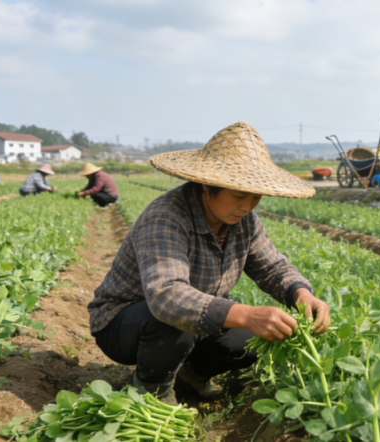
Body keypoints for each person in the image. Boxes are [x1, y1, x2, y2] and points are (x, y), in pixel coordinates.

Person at [88, 122, 332, 405]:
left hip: (193, 322)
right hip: (127, 324)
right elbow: (166, 296)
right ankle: (153, 389)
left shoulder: (244, 223)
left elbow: (272, 267)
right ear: (207, 184)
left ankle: (191, 374)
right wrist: (248, 314)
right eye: (239, 195)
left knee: (249, 343)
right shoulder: (166, 216)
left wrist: (301, 294)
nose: (248, 205)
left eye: (256, 196)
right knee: (173, 321)